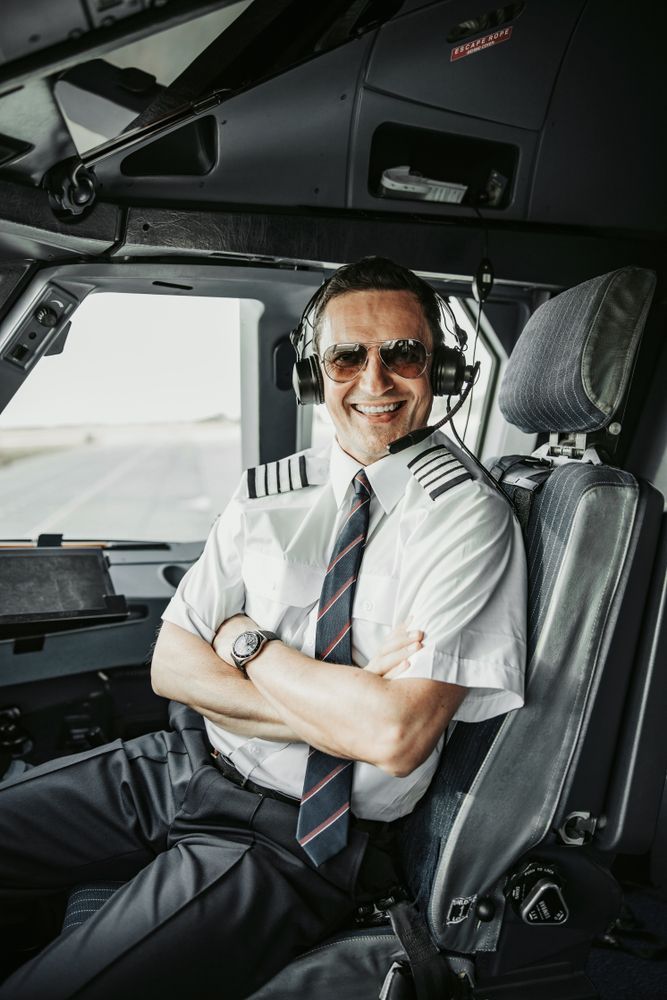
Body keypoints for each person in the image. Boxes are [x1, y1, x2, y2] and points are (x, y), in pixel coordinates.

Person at [0, 257, 526, 998]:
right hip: (184, 763)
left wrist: (247, 644)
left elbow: (392, 738)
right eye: (347, 356)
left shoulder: (467, 520)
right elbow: (172, 670)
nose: (375, 381)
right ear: (315, 375)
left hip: (293, 836)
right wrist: (336, 704)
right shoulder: (270, 492)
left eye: (403, 354)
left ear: (438, 371)